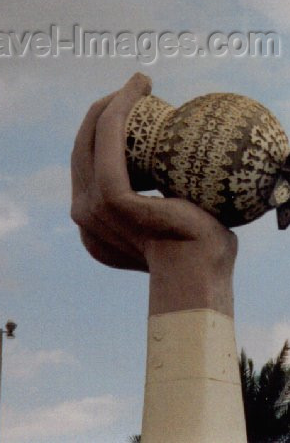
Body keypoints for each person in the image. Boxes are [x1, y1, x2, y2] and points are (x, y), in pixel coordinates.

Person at [70, 72, 238, 317]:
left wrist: (115, 116)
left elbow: (114, 202)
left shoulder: (200, 232)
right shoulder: (219, 241)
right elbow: (107, 233)